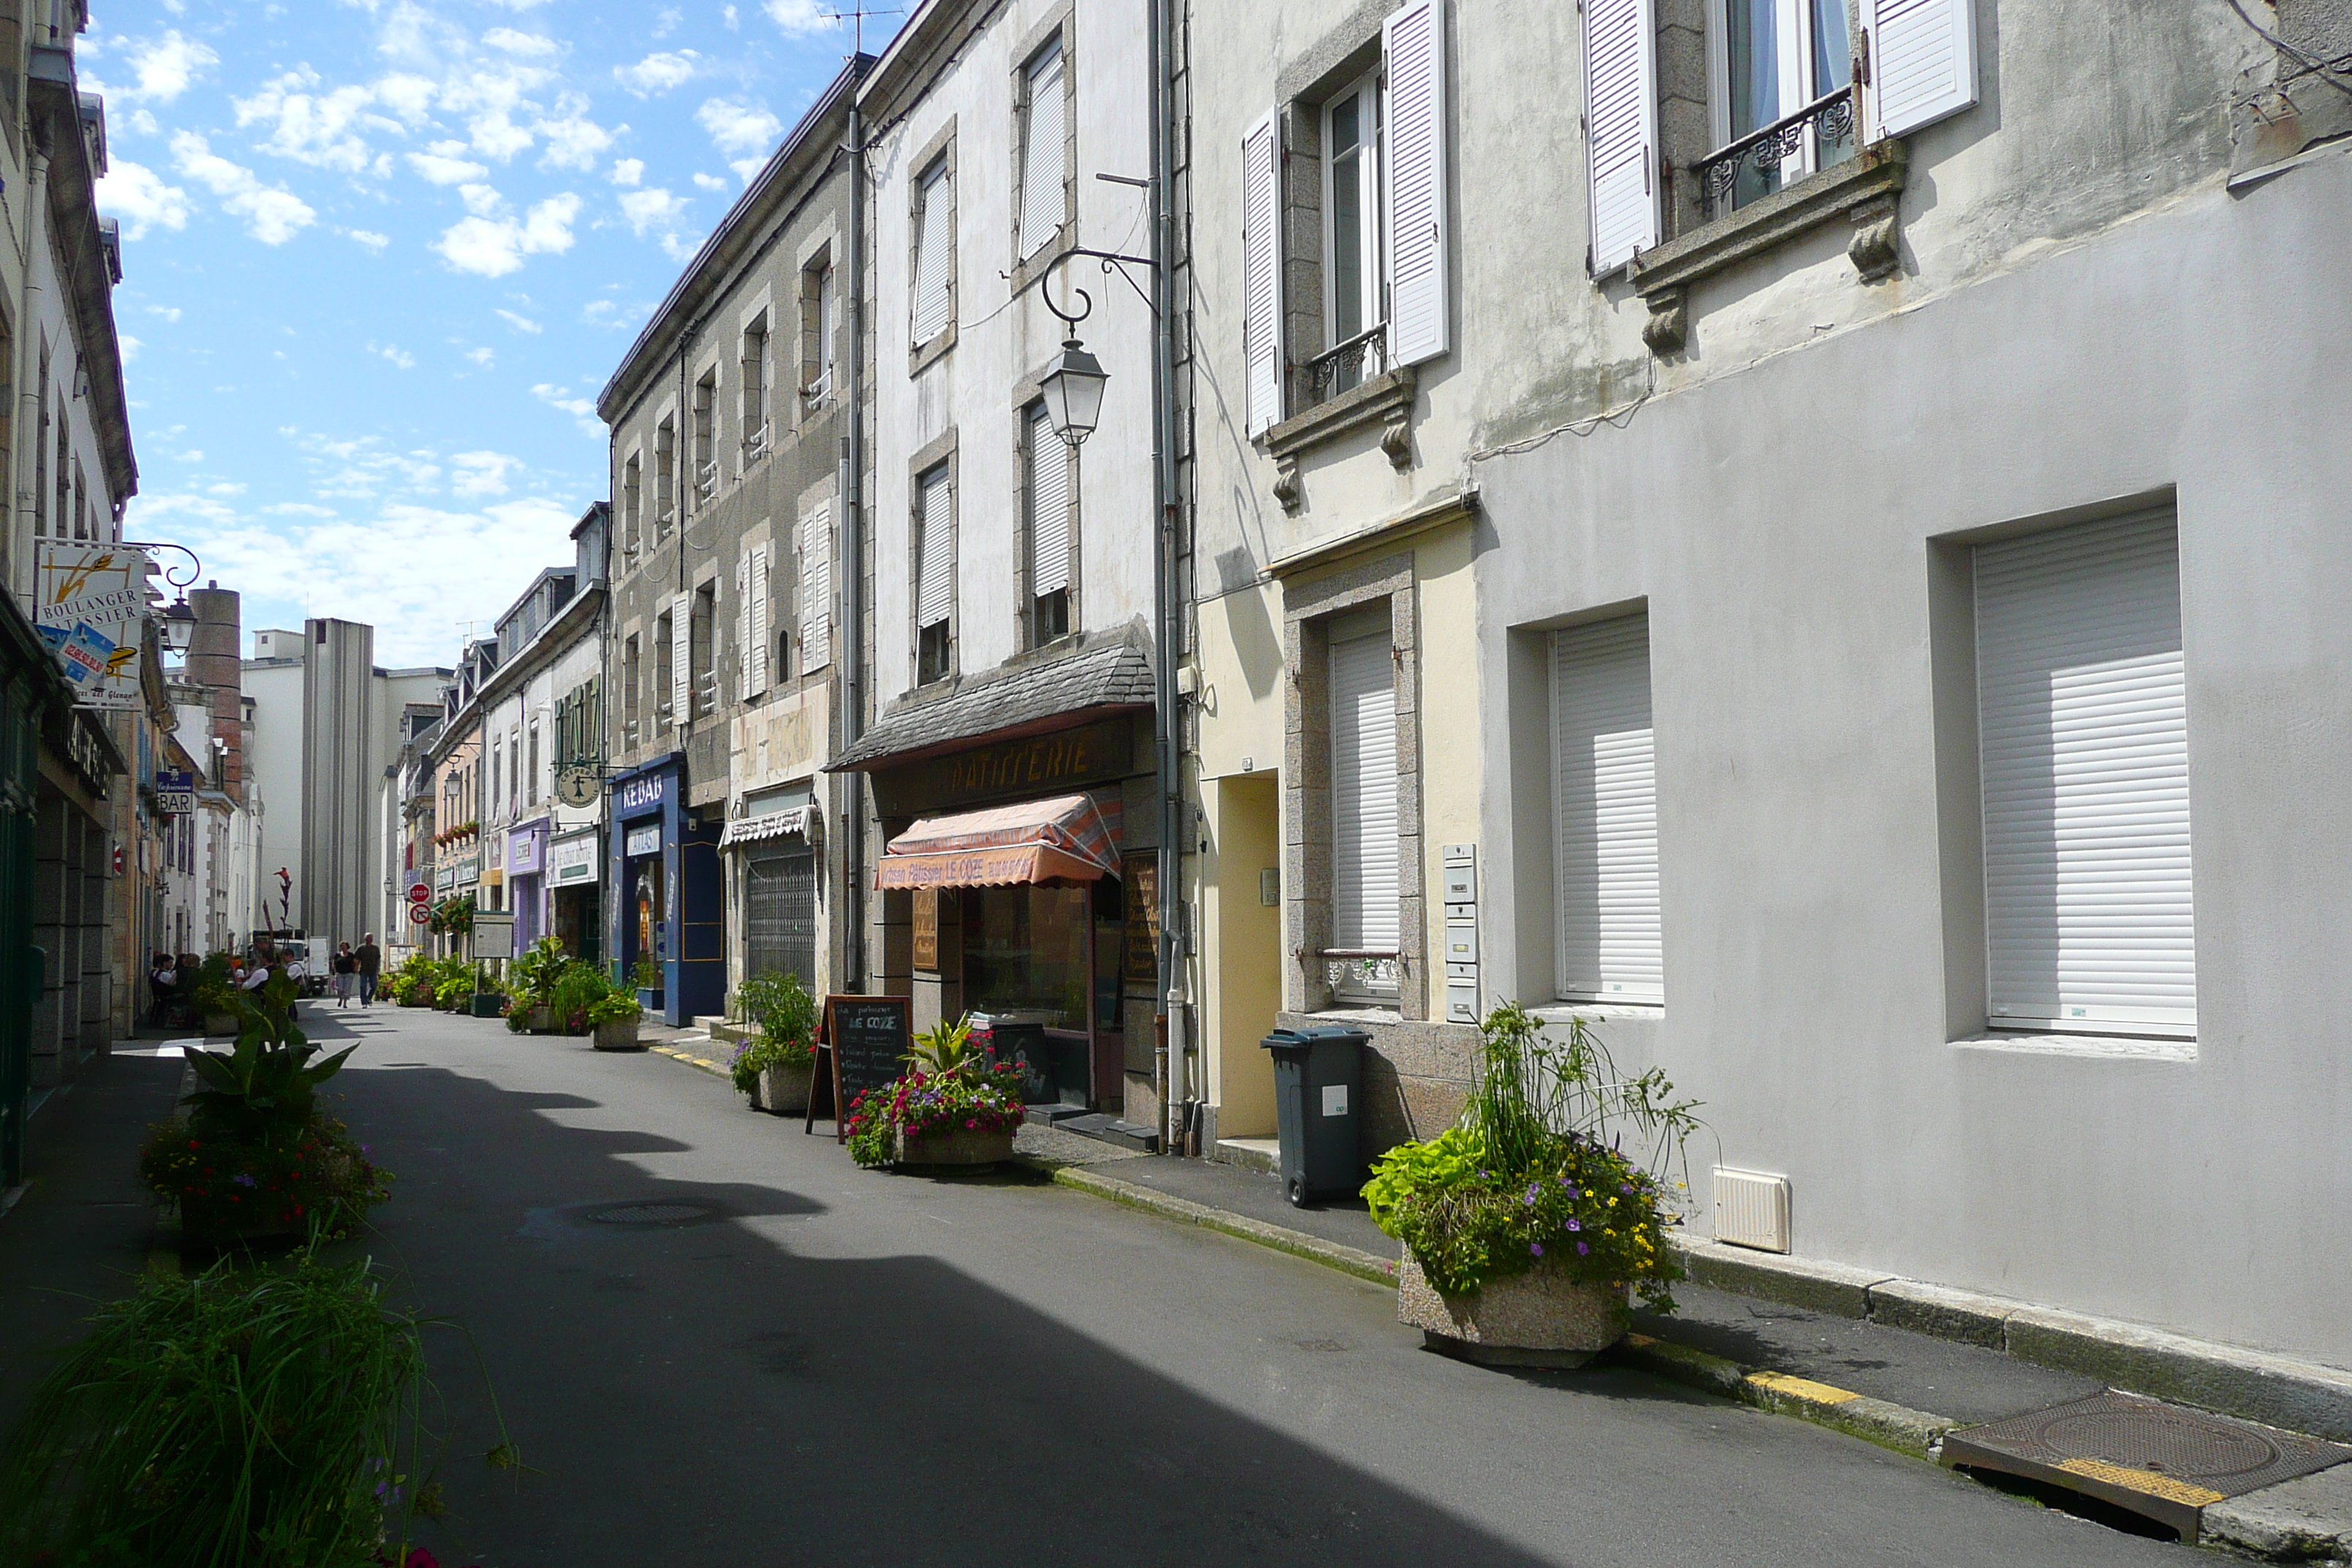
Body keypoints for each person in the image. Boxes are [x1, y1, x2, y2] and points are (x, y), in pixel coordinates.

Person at [355, 932, 382, 1006]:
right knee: (363, 986)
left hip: (373, 970)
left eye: (371, 938)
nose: (370, 939)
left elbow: (378, 959)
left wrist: (378, 968)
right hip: (363, 969)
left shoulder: (375, 948)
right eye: (368, 938)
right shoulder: (361, 948)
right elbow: (357, 959)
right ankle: (364, 1002)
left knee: (374, 986)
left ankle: (369, 998)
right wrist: (356, 967)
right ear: (365, 939)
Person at [331, 942, 358, 1007]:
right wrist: (333, 970)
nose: (343, 947)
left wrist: (356, 969)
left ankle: (345, 1003)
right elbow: (334, 963)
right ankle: (341, 999)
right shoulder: (337, 955)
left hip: (349, 973)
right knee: (340, 989)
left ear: (347, 947)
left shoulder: (351, 955)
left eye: (344, 946)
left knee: (347, 989)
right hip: (339, 974)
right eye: (342, 946)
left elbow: (356, 962)